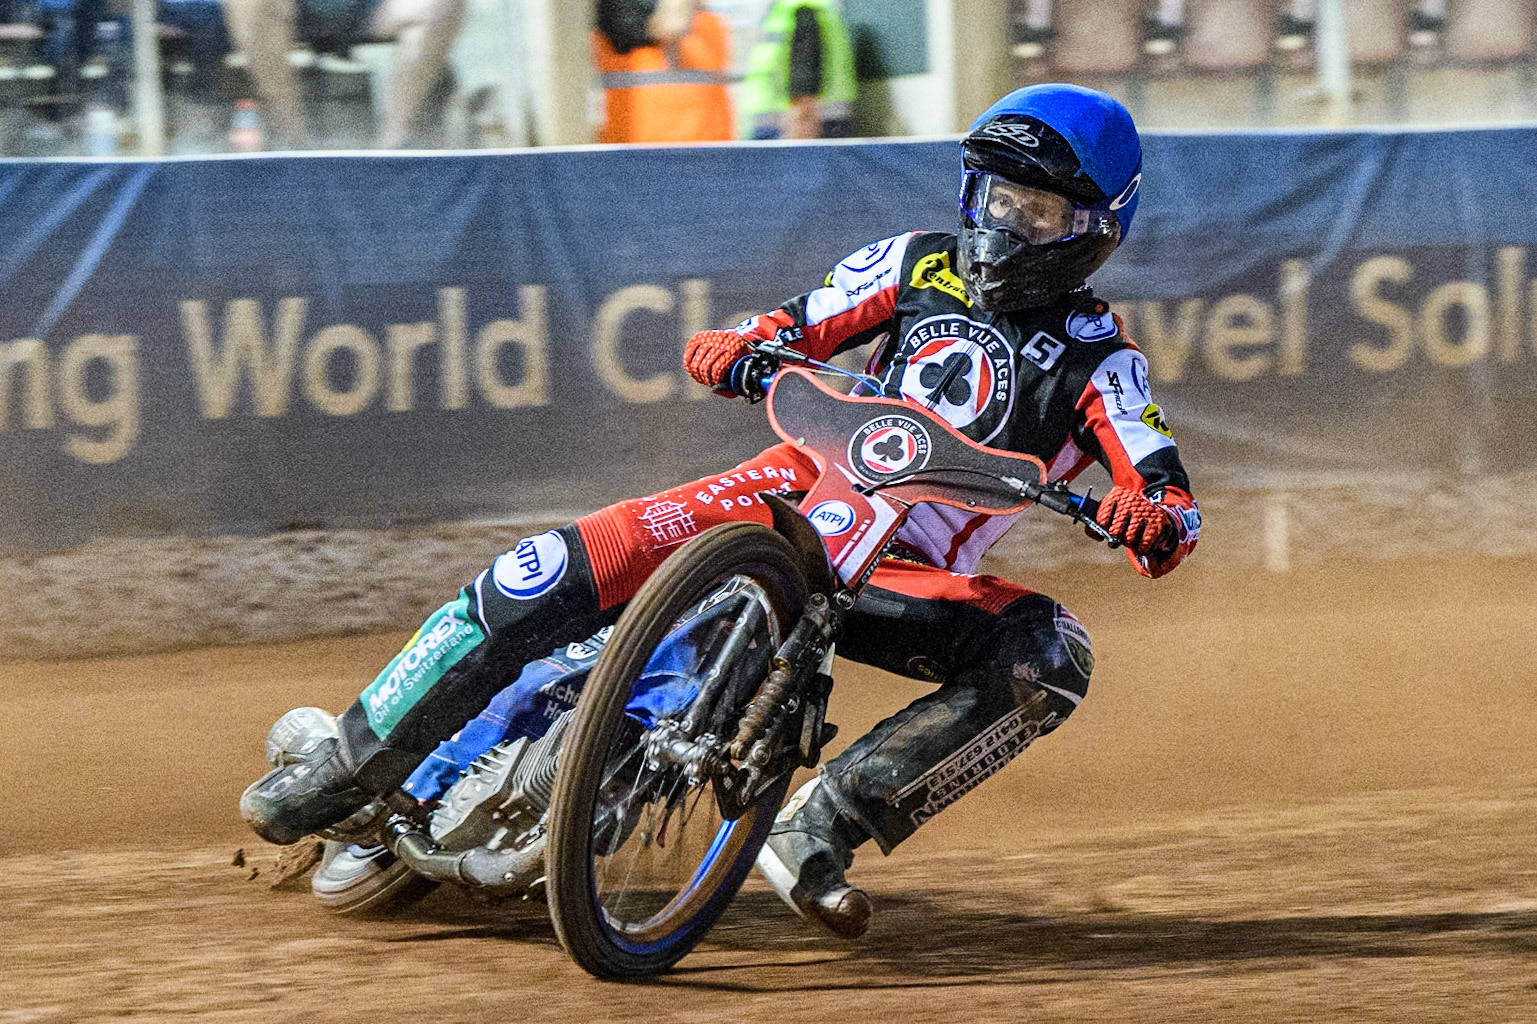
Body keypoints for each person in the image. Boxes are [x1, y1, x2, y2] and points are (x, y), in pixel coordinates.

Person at [241, 83, 1201, 939]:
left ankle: (822, 825)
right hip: (780, 497)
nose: (1007, 228)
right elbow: (783, 323)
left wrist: (1147, 516)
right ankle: (345, 768)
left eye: (1037, 212)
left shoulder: (1099, 362)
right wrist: (738, 347)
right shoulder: (913, 263)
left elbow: (1165, 493)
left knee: (1051, 655)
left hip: (902, 574)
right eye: (997, 200)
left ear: (1096, 227)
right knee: (546, 567)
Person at [221, 0, 465, 148]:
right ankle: (293, 145)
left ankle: (395, 146)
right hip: (289, 9)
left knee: (441, 5)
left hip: (373, 8)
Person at [593, 0, 733, 144]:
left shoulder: (707, 22)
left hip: (709, 146)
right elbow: (671, 25)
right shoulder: (624, 14)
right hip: (644, 148)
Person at [740, 0, 855, 139]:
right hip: (778, 124)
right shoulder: (787, 9)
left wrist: (796, 143)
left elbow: (805, 93)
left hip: (793, 129)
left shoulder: (803, 10)